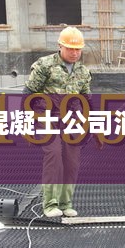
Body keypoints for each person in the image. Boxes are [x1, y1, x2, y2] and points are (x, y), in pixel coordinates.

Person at [23, 26, 96, 218]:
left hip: (71, 118)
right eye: (70, 48)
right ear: (60, 46)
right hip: (46, 115)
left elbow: (87, 101)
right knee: (54, 154)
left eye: (78, 49)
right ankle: (50, 204)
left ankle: (65, 203)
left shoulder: (83, 72)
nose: (74, 53)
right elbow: (28, 94)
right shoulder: (44, 65)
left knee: (72, 160)